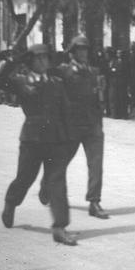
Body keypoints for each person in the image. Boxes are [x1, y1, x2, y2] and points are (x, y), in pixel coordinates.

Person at [0, 44, 77, 245]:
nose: (42, 62)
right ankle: (11, 202)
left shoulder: (57, 82)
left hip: (56, 140)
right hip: (32, 141)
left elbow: (66, 111)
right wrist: (11, 61)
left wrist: (69, 140)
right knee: (25, 178)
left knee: (57, 182)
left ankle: (60, 226)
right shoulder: (21, 82)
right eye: (38, 59)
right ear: (30, 62)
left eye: (45, 58)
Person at [45, 35, 110, 219]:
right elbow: (49, 69)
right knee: (60, 162)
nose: (84, 53)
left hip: (93, 125)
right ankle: (47, 185)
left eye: (85, 50)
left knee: (96, 164)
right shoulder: (64, 71)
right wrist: (63, 53)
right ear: (72, 53)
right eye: (79, 50)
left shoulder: (93, 71)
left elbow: (98, 96)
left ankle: (94, 202)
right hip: (72, 126)